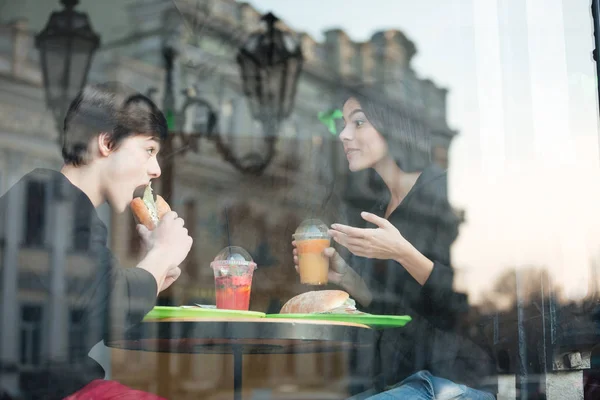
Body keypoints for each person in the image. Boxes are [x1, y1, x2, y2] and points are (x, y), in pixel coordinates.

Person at [293, 90, 496, 400]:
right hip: (400, 380)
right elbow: (396, 311)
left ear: (394, 128)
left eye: (358, 122)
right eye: (344, 125)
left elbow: (473, 297)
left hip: (453, 381)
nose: (345, 135)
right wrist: (348, 278)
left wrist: (401, 252)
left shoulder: (445, 193)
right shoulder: (377, 209)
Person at [0, 82, 192, 399]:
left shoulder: (48, 202)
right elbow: (102, 309)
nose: (156, 169)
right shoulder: (53, 204)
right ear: (106, 142)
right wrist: (161, 254)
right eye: (148, 150)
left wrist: (154, 275)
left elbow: (78, 312)